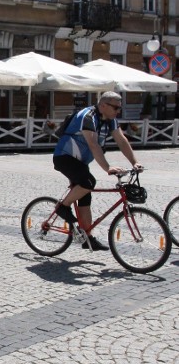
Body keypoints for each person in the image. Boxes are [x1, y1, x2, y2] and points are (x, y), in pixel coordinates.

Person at [53, 91, 142, 251]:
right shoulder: (88, 117)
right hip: (64, 158)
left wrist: (135, 162)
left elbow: (121, 140)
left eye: (119, 108)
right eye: (115, 107)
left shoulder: (110, 120)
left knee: (85, 197)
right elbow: (93, 144)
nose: (118, 111)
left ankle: (88, 238)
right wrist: (108, 168)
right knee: (88, 182)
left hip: (80, 162)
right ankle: (62, 207)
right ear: (103, 105)